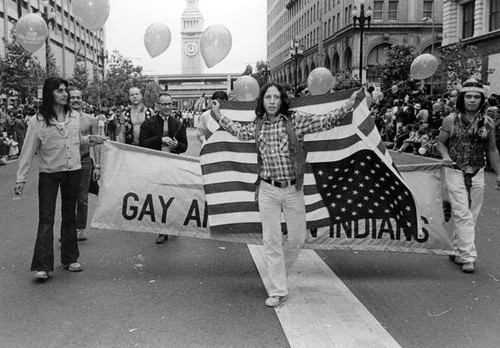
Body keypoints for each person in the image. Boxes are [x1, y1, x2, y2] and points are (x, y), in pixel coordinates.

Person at [211, 82, 354, 307]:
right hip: (267, 190)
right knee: (272, 240)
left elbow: (324, 121)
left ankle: (278, 272)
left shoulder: (295, 121)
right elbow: (239, 131)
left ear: (282, 100)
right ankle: (278, 290)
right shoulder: (258, 125)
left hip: (292, 190)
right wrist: (218, 114)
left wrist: (347, 106)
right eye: (268, 97)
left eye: (276, 97)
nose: (272, 102)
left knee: (297, 239)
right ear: (262, 101)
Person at [13, 77, 104, 280]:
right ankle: (43, 265)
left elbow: (74, 140)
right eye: (60, 91)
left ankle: (70, 259)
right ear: (49, 94)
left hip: (73, 171)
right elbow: (28, 151)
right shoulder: (37, 121)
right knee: (46, 219)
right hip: (49, 174)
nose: (65, 94)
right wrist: (21, 178)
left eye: (66, 91)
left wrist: (89, 140)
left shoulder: (74, 117)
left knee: (69, 216)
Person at [437, 79, 500, 274]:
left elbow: (492, 150)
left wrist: (498, 174)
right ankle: (468, 256)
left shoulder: (487, 123)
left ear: (482, 100)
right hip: (455, 170)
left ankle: (457, 248)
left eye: (476, 97)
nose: (472, 100)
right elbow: (440, 143)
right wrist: (446, 156)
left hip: (478, 171)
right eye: (469, 97)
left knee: (470, 214)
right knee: (463, 213)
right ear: (462, 99)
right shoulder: (450, 119)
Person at [139, 93, 188, 244]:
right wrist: (159, 139)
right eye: (164, 104)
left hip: (173, 164)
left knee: (172, 195)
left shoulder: (178, 123)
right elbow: (142, 143)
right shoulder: (149, 123)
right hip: (155, 164)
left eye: (169, 104)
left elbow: (184, 146)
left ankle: (172, 225)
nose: (167, 107)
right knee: (158, 196)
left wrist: (176, 145)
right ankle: (161, 230)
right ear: (158, 106)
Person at [69, 88, 102, 242]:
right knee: (68, 197)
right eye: (72, 97)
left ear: (82, 100)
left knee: (82, 197)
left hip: (84, 161)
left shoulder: (91, 120)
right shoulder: (62, 119)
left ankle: (80, 228)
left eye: (78, 97)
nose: (75, 100)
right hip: (66, 162)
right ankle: (67, 228)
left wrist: (98, 166)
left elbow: (96, 143)